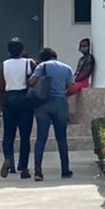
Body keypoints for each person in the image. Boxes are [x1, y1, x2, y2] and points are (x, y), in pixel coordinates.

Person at [29, 47, 76, 181]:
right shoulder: (66, 68)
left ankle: (38, 171)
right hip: (60, 104)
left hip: (42, 105)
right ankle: (65, 170)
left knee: (41, 139)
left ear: (43, 57)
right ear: (55, 56)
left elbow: (32, 82)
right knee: (61, 139)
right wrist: (61, 94)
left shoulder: (42, 66)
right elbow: (72, 88)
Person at [0, 38, 35, 179]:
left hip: (9, 100)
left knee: (8, 135)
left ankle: (8, 161)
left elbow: (1, 87)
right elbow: (35, 81)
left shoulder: (4, 65)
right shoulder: (29, 63)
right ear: (22, 50)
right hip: (24, 100)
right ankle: (23, 168)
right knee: (25, 136)